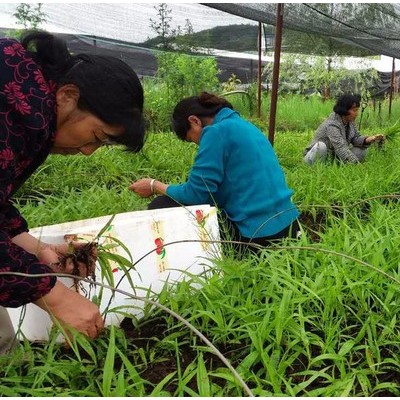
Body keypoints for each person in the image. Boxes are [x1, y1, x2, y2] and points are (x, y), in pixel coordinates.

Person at [0, 31, 145, 352]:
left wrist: (38, 249)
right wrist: (57, 298)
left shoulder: (25, 106)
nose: (89, 151)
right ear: (67, 95)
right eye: (97, 135)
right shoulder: (10, 113)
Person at [129, 92, 300, 255]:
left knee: (162, 205)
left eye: (191, 139)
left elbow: (195, 194)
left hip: (259, 235)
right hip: (290, 225)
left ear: (194, 121)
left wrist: (154, 185)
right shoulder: (245, 125)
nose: (197, 144)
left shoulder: (215, 132)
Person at [304, 94, 385, 165]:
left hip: (332, 157)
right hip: (314, 156)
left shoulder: (350, 122)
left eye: (357, 110)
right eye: (354, 110)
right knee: (321, 146)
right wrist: (358, 165)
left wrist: (368, 139)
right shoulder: (332, 124)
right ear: (344, 110)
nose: (357, 113)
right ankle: (316, 167)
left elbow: (355, 138)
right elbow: (340, 147)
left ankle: (338, 164)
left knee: (362, 149)